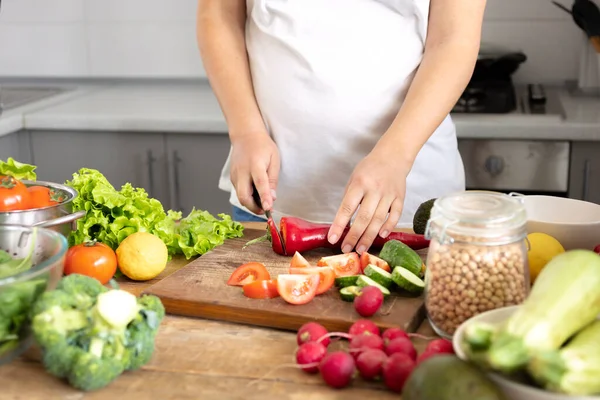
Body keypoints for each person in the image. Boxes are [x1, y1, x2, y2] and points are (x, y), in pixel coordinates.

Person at [196, 0, 486, 254]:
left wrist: (396, 156)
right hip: (270, 203)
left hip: (409, 212)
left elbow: (454, 40)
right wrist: (246, 131)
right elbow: (219, 14)